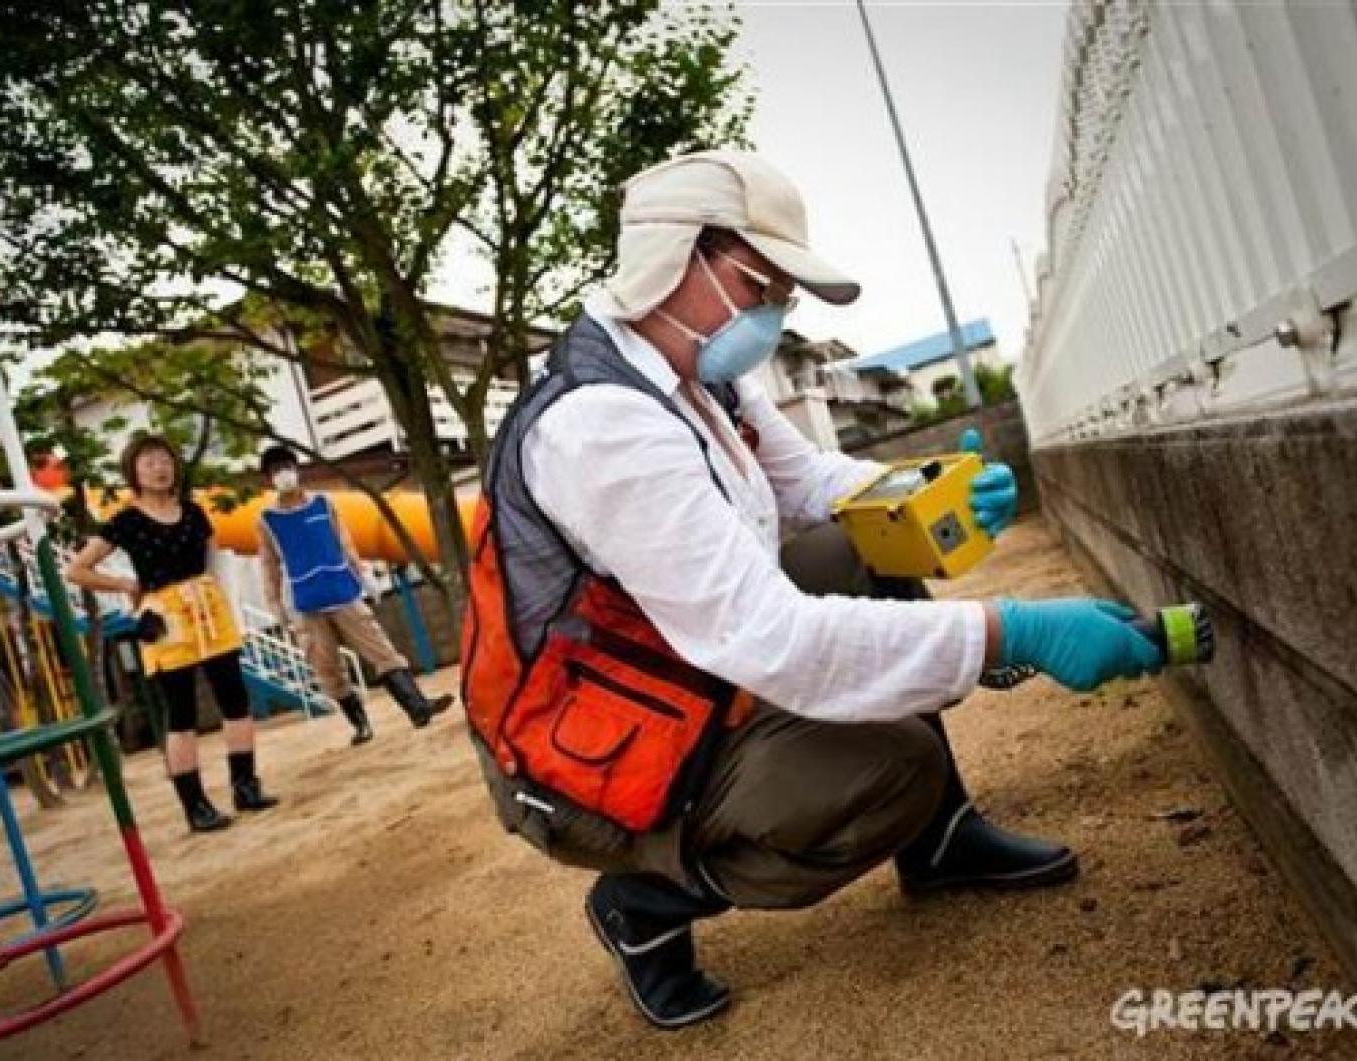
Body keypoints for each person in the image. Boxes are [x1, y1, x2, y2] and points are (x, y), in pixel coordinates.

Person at [462, 150, 1163, 1029]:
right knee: (893, 770)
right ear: (677, 258)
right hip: (587, 745)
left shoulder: (698, 369)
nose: (772, 313)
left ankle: (939, 838)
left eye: (782, 295)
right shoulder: (600, 424)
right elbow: (774, 638)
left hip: (684, 661)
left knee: (864, 543)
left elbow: (809, 484)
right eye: (760, 285)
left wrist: (924, 490)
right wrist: (1012, 631)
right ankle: (646, 903)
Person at [67, 435, 279, 833]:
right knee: (181, 712)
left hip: (209, 609)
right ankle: (195, 806)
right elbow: (76, 570)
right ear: (134, 472)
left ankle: (246, 787)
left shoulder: (194, 512)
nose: (159, 468)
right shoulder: (126, 521)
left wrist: (225, 603)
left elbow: (214, 559)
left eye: (164, 460)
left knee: (235, 699)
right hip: (165, 617)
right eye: (148, 462)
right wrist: (125, 585)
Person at [253, 445, 453, 744]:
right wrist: (276, 606)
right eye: (276, 471)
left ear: (297, 469)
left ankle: (417, 706)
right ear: (269, 479)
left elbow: (345, 543)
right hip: (306, 603)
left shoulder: (323, 504)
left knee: (380, 648)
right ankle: (360, 725)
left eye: (287, 467)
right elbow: (269, 566)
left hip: (343, 591)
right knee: (326, 666)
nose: (284, 474)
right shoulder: (267, 520)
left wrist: (364, 575)